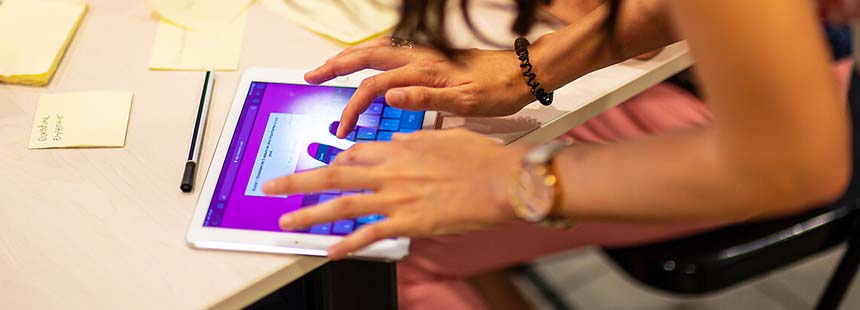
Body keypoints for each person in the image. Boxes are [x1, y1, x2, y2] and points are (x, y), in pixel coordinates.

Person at [263, 0, 858, 308]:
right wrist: (531, 67)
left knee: (389, 243)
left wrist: (515, 180)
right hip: (734, 83)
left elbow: (793, 162)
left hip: (771, 105)